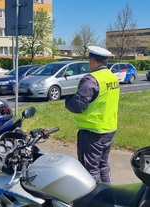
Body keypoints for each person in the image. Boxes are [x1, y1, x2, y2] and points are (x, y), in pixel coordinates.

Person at [65, 45, 120, 183]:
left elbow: (78, 106)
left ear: (93, 61)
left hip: (92, 133)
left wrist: (67, 101)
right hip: (109, 129)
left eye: (90, 60)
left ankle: (93, 199)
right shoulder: (111, 77)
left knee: (90, 169)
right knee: (103, 164)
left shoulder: (91, 80)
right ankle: (108, 194)